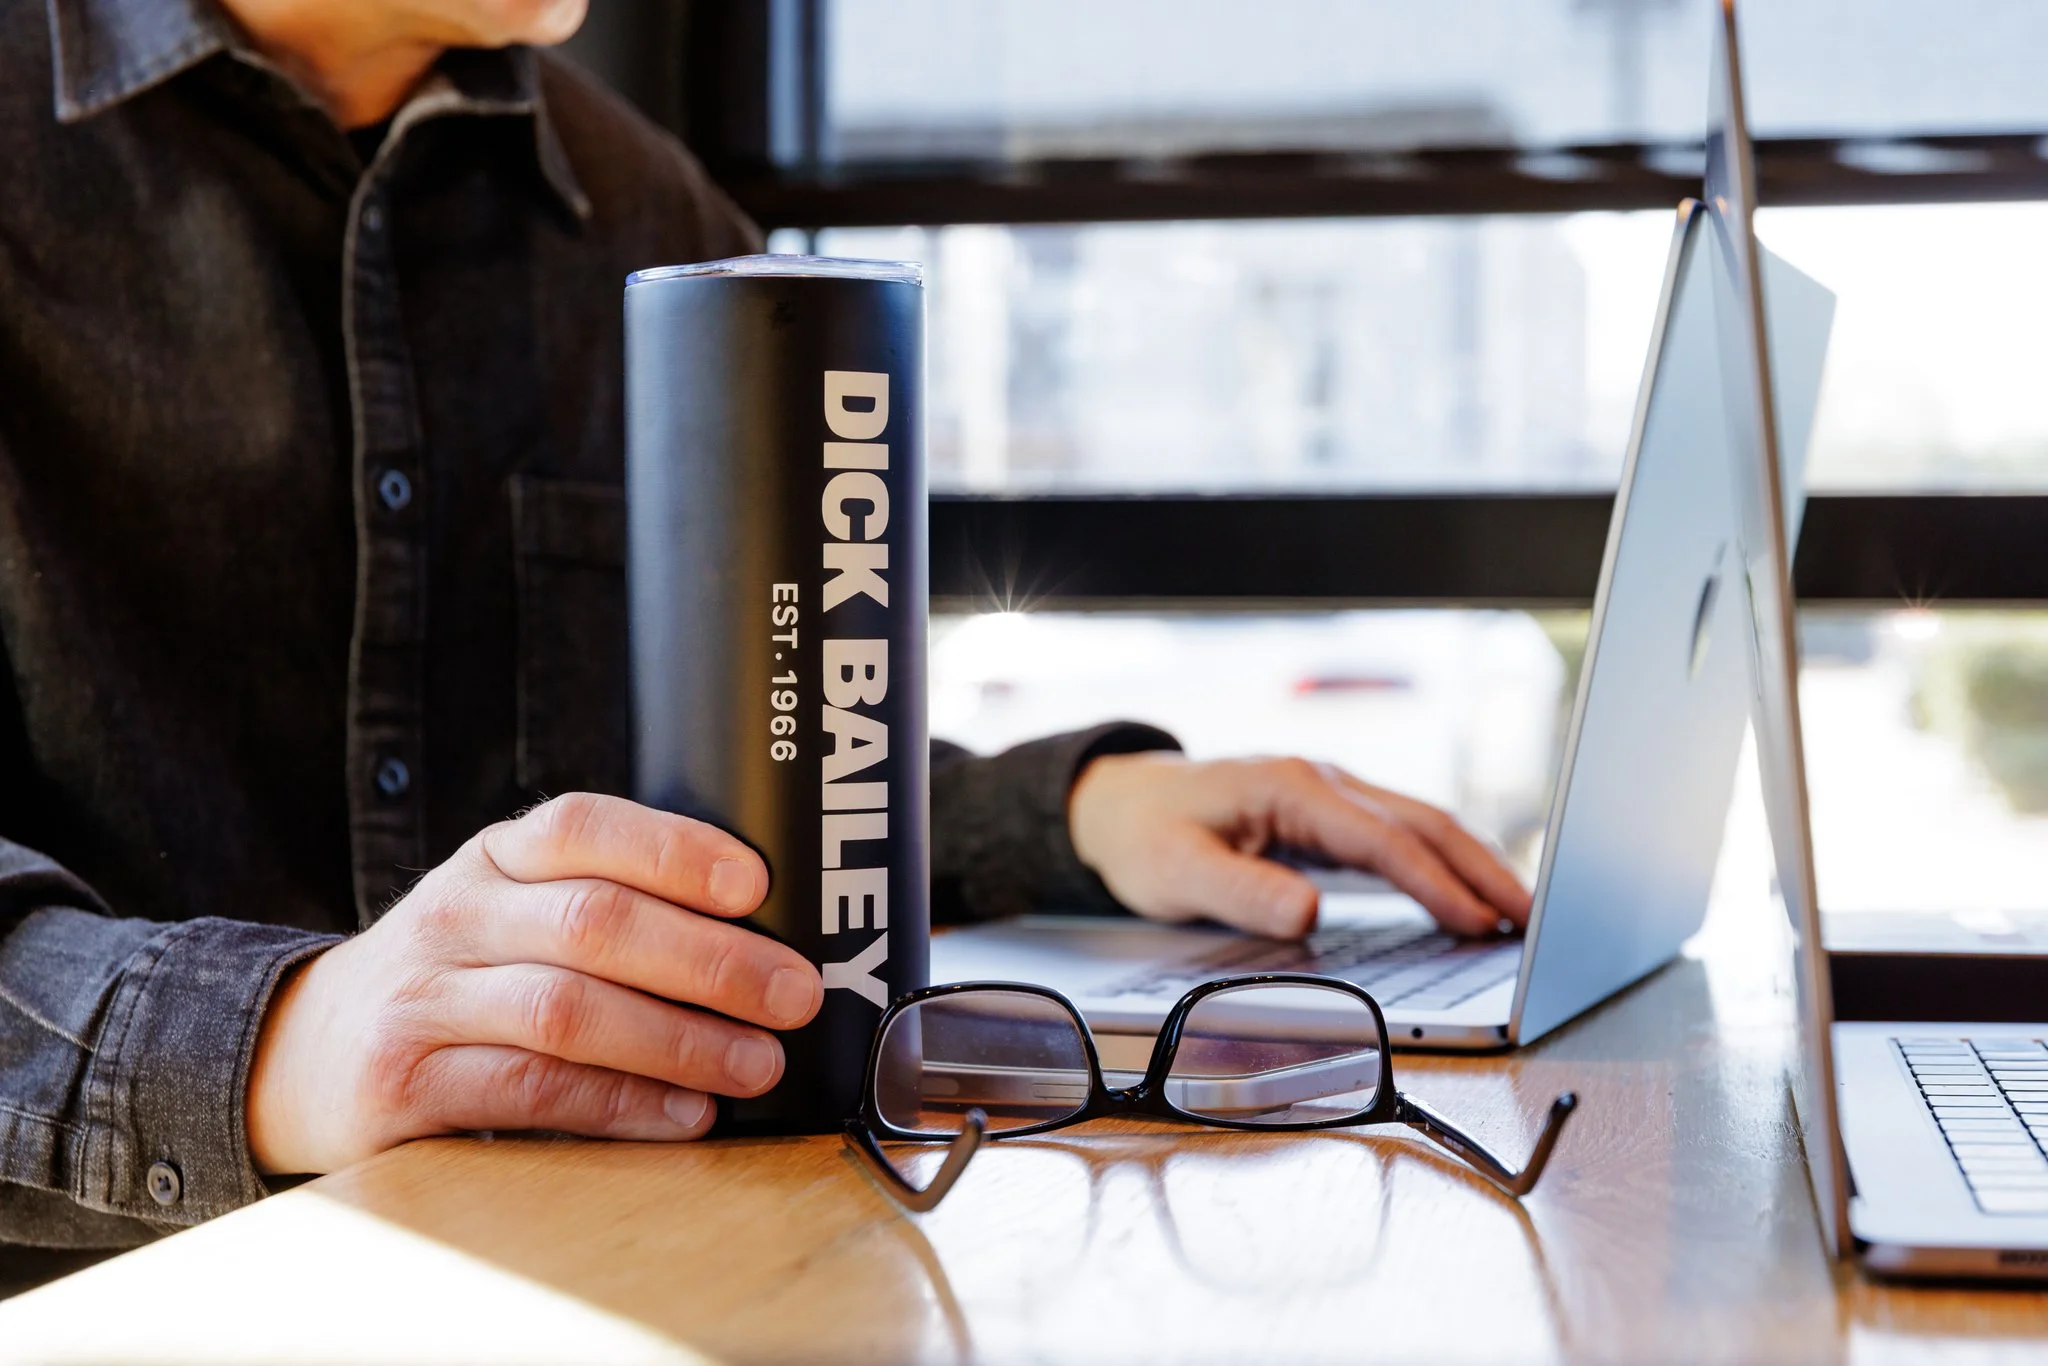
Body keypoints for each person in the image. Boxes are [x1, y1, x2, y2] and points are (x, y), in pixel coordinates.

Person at [0, 0, 1531, 1255]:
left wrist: (1069, 808)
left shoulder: (645, 212)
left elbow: (747, 772)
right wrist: (279, 1047)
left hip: (596, 1271)